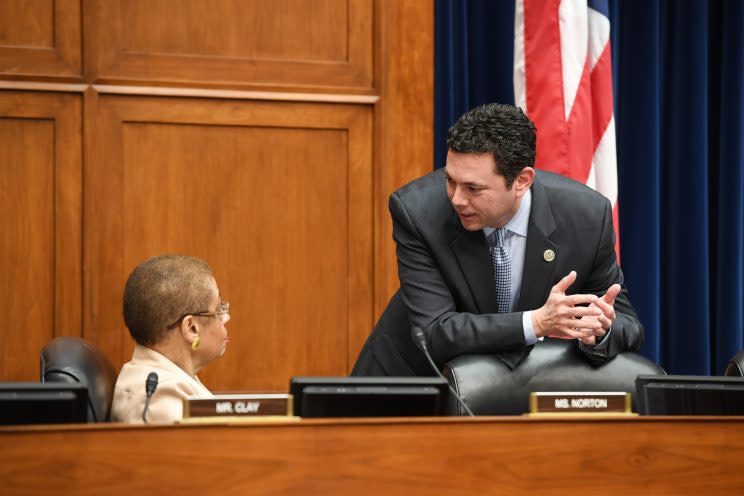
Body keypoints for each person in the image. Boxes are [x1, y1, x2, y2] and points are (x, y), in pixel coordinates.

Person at [352, 103, 643, 376]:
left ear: (521, 181)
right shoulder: (418, 213)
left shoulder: (586, 217)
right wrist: (536, 322)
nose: (456, 199)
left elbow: (627, 324)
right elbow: (434, 331)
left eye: (473, 188)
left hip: (511, 395)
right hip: (415, 382)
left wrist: (599, 331)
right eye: (450, 180)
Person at [111, 255, 230, 423]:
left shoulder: (169, 376)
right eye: (218, 309)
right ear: (192, 328)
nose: (226, 318)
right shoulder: (160, 398)